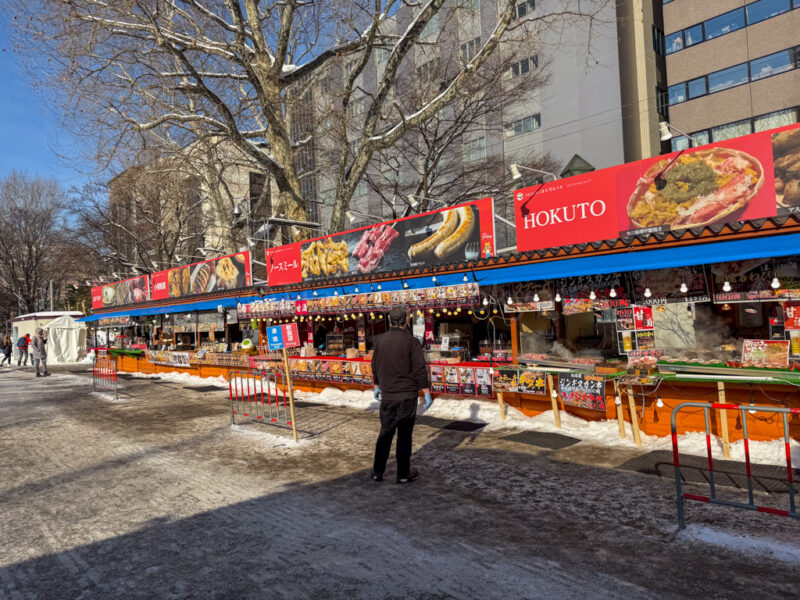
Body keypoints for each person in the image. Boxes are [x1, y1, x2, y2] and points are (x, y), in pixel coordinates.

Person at [370, 305, 432, 484]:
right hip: (406, 396)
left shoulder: (379, 341)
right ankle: (403, 474)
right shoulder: (412, 341)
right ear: (406, 320)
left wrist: (377, 386)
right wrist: (426, 393)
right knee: (404, 436)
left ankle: (377, 472)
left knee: (385, 433)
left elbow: (374, 366)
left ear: (389, 321)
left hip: (388, 396)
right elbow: (420, 370)